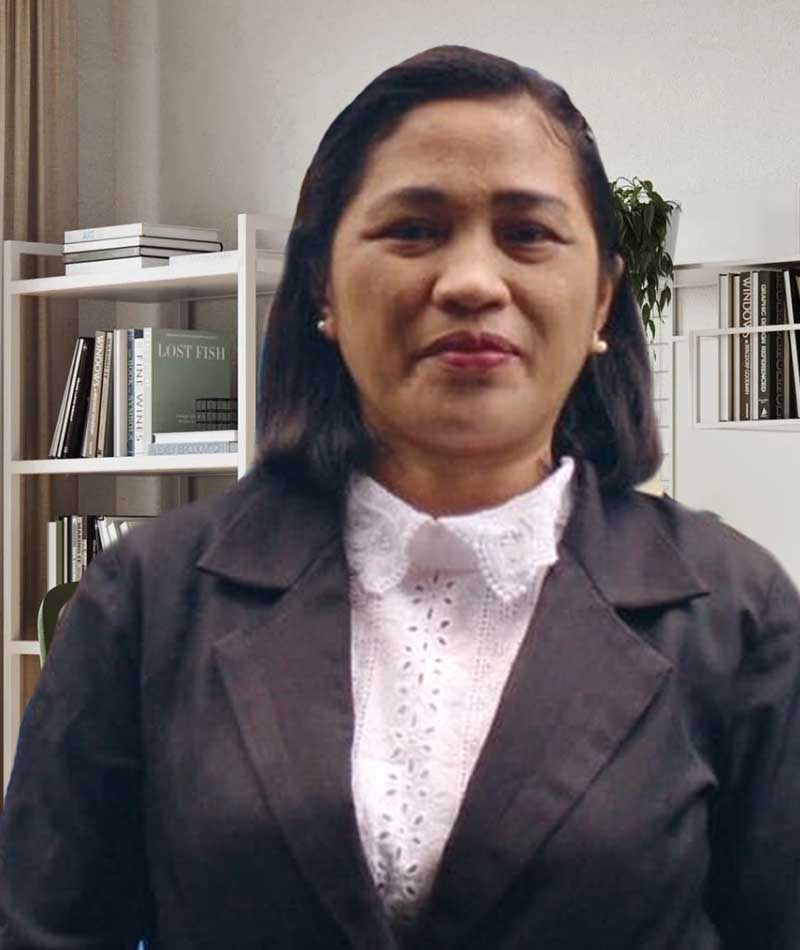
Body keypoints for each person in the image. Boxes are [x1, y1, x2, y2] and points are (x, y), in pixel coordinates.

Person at [1, 44, 799, 950]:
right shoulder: (146, 598)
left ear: (604, 302)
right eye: (414, 229)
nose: (472, 281)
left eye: (528, 234)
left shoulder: (739, 615)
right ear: (323, 289)